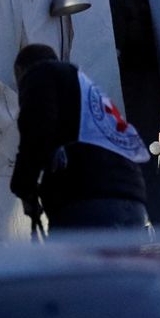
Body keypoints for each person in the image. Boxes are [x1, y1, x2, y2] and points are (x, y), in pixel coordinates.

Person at [10, 44, 150, 235]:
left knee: (76, 264)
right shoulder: (84, 88)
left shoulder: (41, 73)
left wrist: (23, 186)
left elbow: (36, 132)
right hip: (132, 199)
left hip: (88, 197)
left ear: (21, 71)